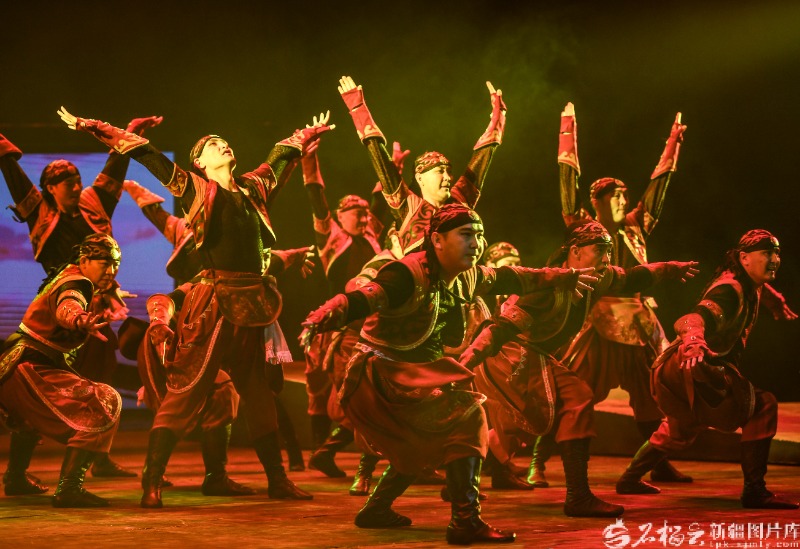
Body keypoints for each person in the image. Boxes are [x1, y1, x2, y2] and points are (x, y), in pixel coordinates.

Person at [57, 106, 332, 507]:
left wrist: (306, 135)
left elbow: (280, 154)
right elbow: (144, 151)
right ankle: (152, 481)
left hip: (252, 303)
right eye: (212, 145)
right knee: (187, 389)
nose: (223, 145)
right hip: (213, 301)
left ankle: (277, 480)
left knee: (258, 393)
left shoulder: (253, 188)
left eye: (224, 141)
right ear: (200, 163)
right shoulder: (195, 189)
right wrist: (94, 126)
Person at [300, 203, 598, 545]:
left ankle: (377, 509)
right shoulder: (406, 274)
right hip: (379, 379)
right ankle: (465, 521)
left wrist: (567, 276)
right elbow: (364, 298)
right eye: (466, 235)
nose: (476, 243)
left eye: (480, 235)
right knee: (469, 419)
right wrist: (324, 314)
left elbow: (518, 277)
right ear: (437, 240)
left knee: (423, 441)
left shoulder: (468, 276)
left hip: (411, 377)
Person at [461, 220, 699, 517]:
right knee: (575, 398)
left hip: (534, 355)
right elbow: (500, 330)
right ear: (575, 251)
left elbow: (632, 278)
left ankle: (462, 482)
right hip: (510, 357)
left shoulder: (596, 279)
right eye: (600, 250)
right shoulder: (548, 285)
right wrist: (465, 364)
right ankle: (575, 495)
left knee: (528, 420)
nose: (607, 259)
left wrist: (669, 268)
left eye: (609, 251)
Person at [529, 103, 693, 487]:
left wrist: (673, 142)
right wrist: (567, 129)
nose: (622, 201)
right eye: (614, 196)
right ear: (598, 202)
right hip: (598, 324)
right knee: (574, 392)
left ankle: (657, 462)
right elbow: (567, 181)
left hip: (638, 323)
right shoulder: (582, 227)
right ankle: (538, 461)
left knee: (652, 394)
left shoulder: (636, 229)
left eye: (623, 196)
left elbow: (657, 188)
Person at [0, 118, 160, 490]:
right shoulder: (38, 210)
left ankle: (92, 459)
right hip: (64, 301)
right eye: (67, 181)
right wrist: (79, 318)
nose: (76, 185)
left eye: (77, 179)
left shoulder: (94, 203)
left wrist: (131, 133)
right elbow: (9, 167)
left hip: (96, 308)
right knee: (62, 390)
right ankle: (48, 476)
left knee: (100, 379)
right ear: (49, 188)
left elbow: (114, 168)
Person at [615, 230, 798, 510]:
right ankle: (754, 491)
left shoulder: (747, 280)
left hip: (681, 368)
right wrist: (693, 342)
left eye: (776, 253)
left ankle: (629, 479)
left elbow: (760, 289)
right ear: (744, 258)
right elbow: (691, 318)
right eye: (766, 253)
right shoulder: (729, 290)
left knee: (681, 427)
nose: (774, 259)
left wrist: (775, 301)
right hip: (692, 364)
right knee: (763, 406)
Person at [0, 233, 124, 507]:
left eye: (116, 264)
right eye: (105, 263)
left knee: (28, 420)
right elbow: (68, 305)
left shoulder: (68, 275)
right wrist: (79, 319)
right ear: (84, 260)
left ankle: (16, 478)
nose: (111, 271)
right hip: (31, 368)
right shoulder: (77, 283)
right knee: (102, 402)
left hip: (16, 367)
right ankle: (69, 488)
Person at [337, 75, 506, 253]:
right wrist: (358, 108)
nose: (448, 177)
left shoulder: (459, 202)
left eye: (449, 171)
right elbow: (381, 160)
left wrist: (498, 119)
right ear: (419, 178)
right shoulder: (408, 206)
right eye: (440, 171)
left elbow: (482, 158)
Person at [299, 144, 384, 478]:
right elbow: (315, 197)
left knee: (366, 394)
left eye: (365, 215)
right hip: (339, 330)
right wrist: (309, 158)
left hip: (369, 328)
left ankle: (327, 453)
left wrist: (390, 169)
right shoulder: (331, 237)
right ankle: (323, 451)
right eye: (356, 214)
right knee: (347, 395)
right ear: (340, 216)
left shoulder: (371, 237)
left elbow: (380, 203)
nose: (364, 218)